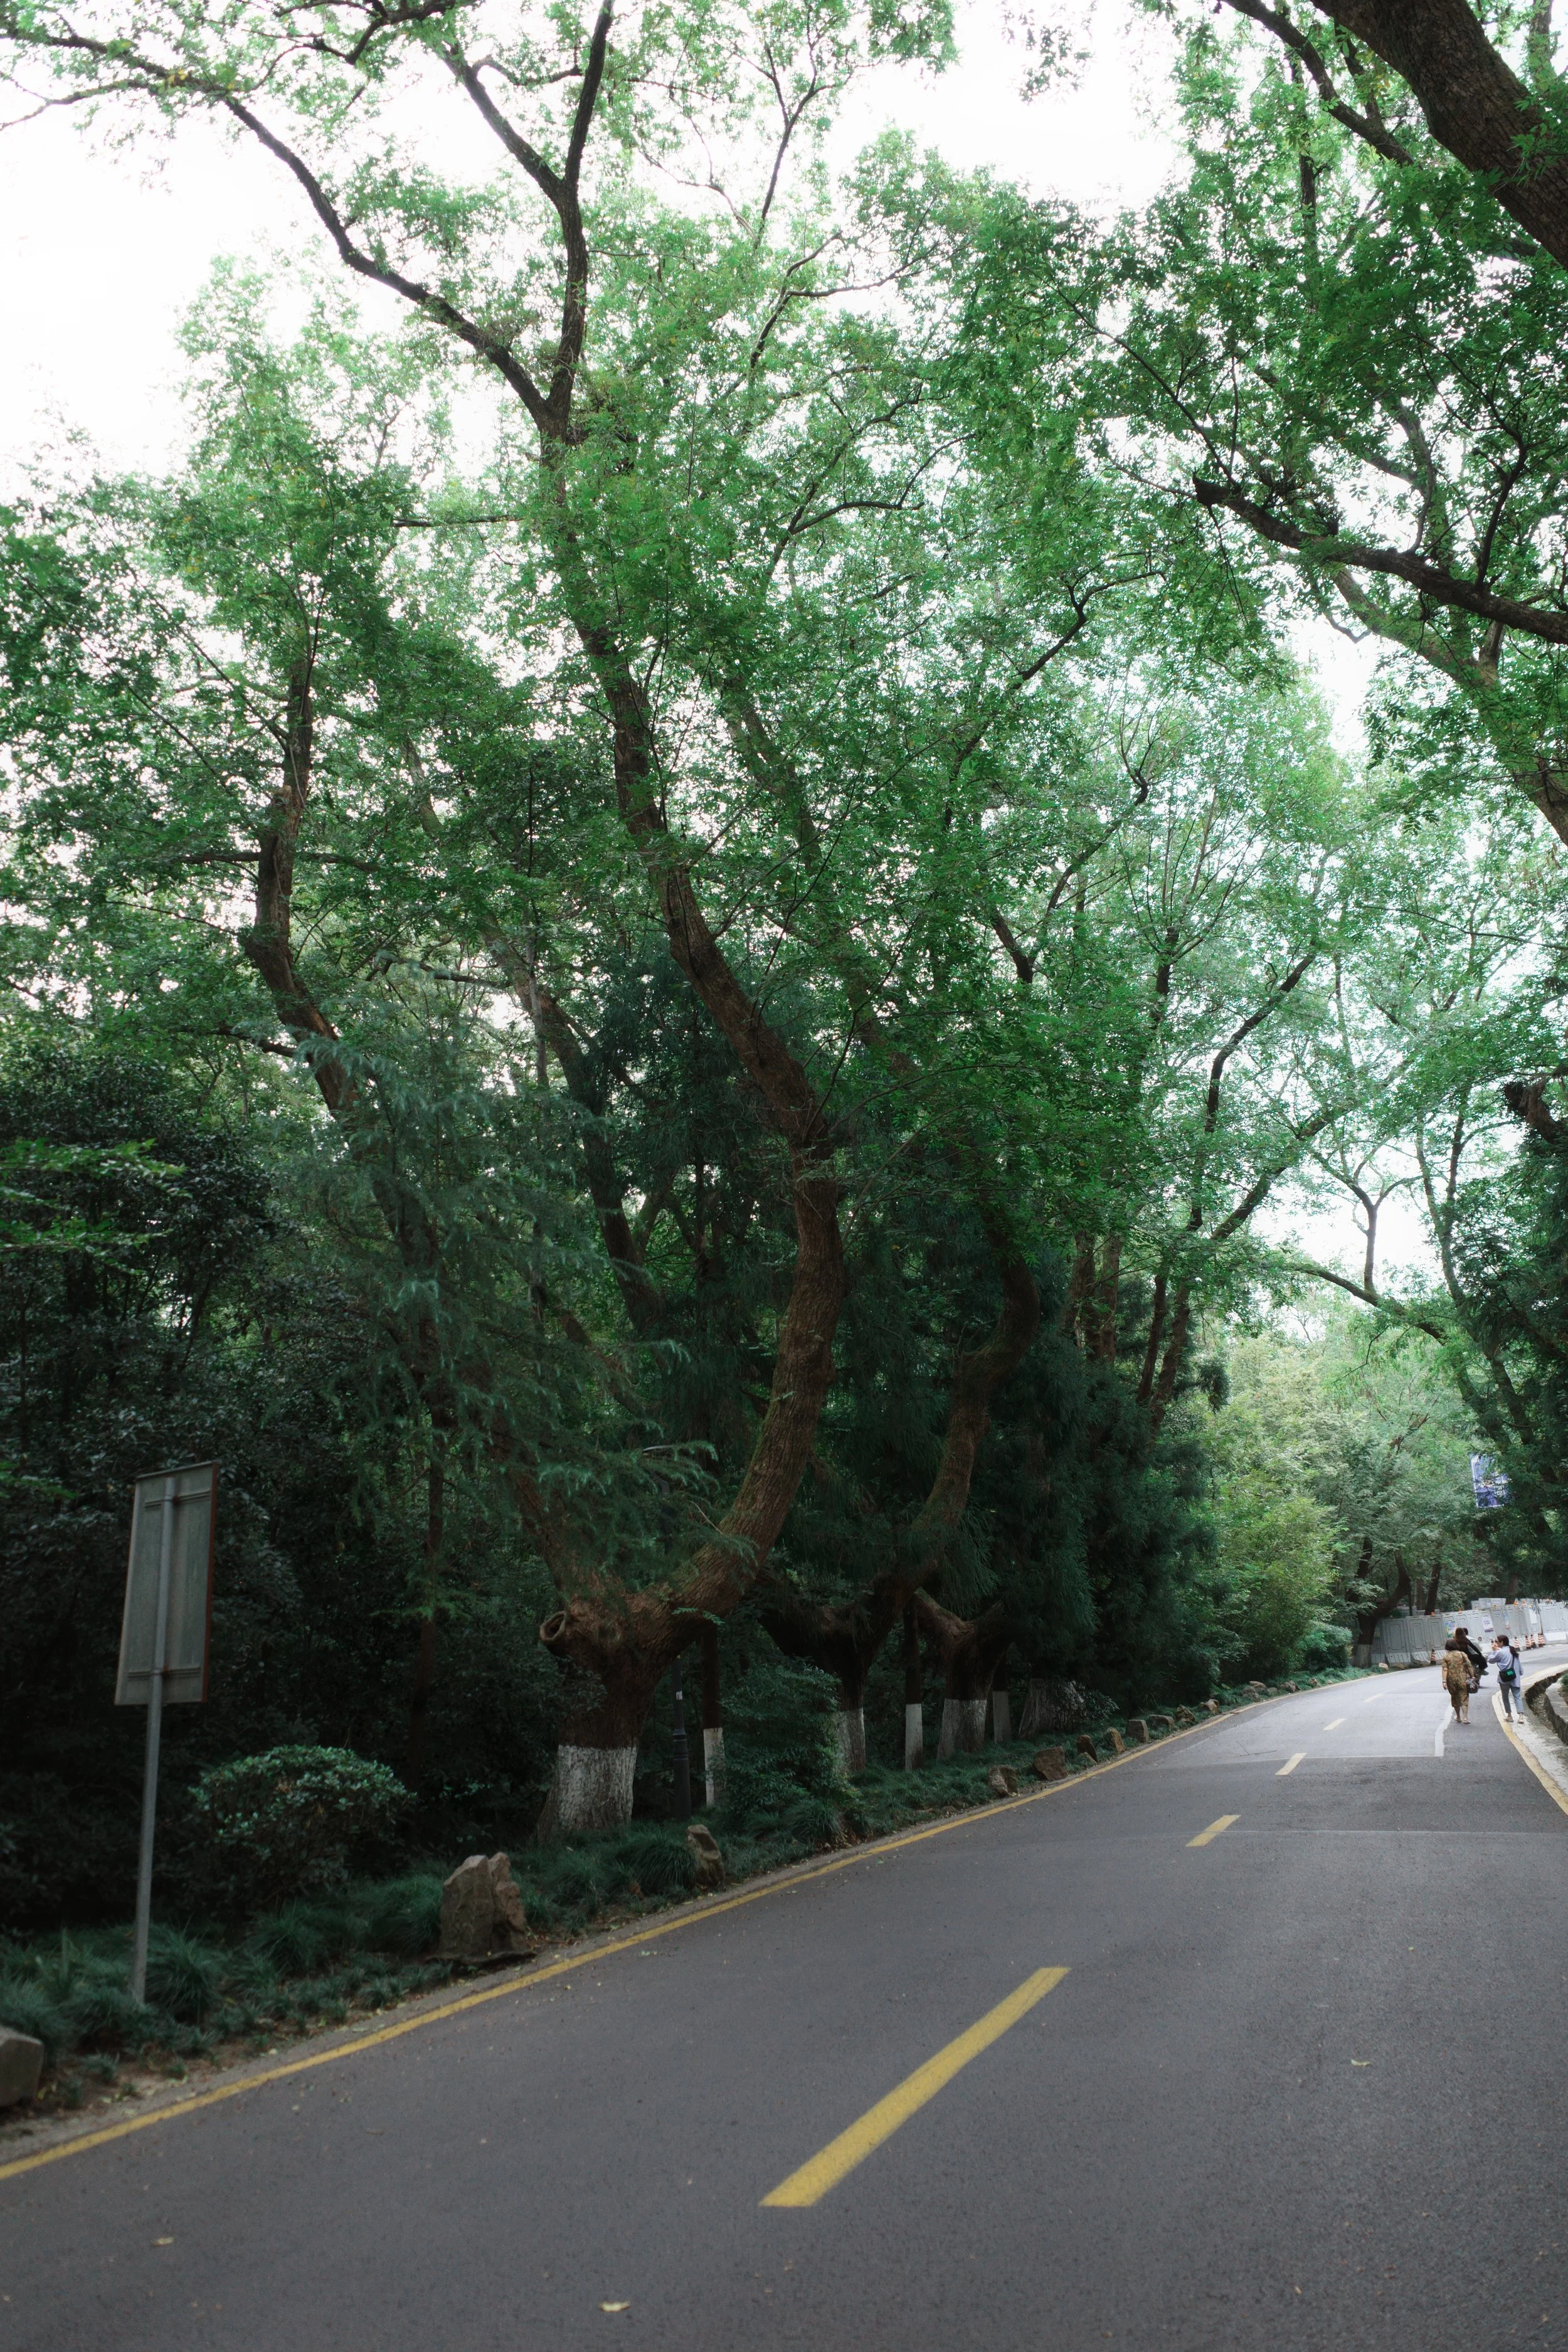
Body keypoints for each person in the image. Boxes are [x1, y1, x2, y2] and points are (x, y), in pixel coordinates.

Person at [1441, 1636, 1473, 1724]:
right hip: (1463, 1678)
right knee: (1464, 1697)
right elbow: (1469, 1665)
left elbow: (1445, 1670)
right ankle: (1465, 1718)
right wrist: (1473, 1676)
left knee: (1455, 1697)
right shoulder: (1462, 1654)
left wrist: (1444, 1681)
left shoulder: (1446, 1657)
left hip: (1451, 1680)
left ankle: (1458, 1717)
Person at [1493, 1633, 1524, 1720]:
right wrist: (1520, 1672)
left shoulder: (1500, 1652)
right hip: (1514, 1677)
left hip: (1504, 1678)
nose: (1496, 1643)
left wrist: (1494, 1651)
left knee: (1505, 1697)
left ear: (1502, 1642)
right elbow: (1518, 1664)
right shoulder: (1513, 1650)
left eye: (1497, 1642)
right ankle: (1521, 1717)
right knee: (1517, 1697)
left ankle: (1510, 1715)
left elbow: (1491, 1660)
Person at [1455, 1624, 1486, 1690]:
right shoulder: (1465, 1639)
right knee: (1483, 1660)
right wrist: (1480, 1654)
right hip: (1469, 1657)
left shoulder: (1454, 1640)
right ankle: (1481, 1670)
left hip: (1459, 1657)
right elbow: (1473, 1646)